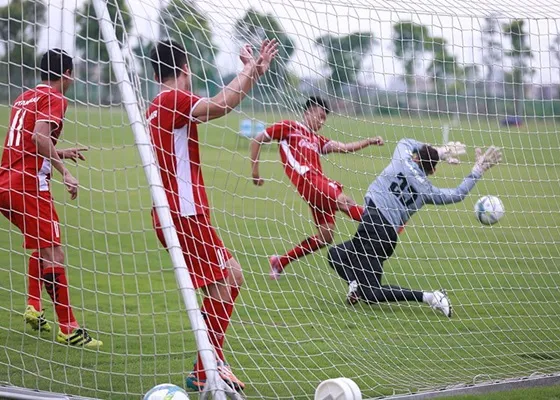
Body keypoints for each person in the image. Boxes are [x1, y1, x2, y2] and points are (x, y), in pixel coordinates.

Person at [146, 39, 278, 393]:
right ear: (185, 68)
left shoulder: (158, 105)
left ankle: (206, 365)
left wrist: (252, 74)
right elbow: (222, 105)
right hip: (184, 214)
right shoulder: (171, 99)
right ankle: (208, 369)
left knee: (232, 274)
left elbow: (226, 102)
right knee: (224, 282)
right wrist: (249, 69)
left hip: (180, 213)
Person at [327, 139, 502, 317]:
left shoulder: (402, 159)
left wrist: (441, 151)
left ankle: (431, 297)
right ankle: (355, 286)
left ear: (416, 158)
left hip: (374, 227)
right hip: (386, 237)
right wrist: (477, 170)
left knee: (371, 293)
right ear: (433, 171)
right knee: (335, 255)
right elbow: (458, 194)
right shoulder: (427, 191)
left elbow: (405, 141)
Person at [0, 49, 100, 347]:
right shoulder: (55, 98)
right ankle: (68, 328)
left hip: (5, 181)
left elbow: (26, 140)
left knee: (44, 246)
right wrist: (65, 171)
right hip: (29, 185)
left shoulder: (23, 97)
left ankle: (33, 304)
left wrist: (60, 152)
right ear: (67, 74)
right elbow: (39, 136)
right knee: (54, 251)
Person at [250, 96, 384, 279]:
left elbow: (344, 147)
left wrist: (368, 141)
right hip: (308, 182)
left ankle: (280, 262)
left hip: (318, 186)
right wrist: (255, 171)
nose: (321, 122)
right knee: (345, 202)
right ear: (308, 112)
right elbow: (257, 139)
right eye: (319, 116)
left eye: (324, 119)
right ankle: (385, 223)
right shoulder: (289, 127)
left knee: (326, 237)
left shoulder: (316, 139)